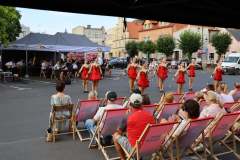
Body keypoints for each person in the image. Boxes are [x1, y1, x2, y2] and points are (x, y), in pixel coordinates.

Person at [113, 93, 155, 160]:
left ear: (130, 104)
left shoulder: (128, 116)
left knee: (115, 136)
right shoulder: (150, 116)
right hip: (151, 148)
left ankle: (123, 158)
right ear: (141, 104)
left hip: (136, 151)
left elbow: (119, 132)